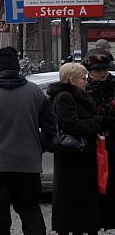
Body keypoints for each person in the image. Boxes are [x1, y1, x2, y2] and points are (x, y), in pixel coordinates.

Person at [0, 46, 57, 235]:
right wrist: (39, 146)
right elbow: (50, 126)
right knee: (30, 211)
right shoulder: (35, 92)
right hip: (28, 165)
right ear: (17, 66)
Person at [49, 62, 103, 235]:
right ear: (72, 80)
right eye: (82, 78)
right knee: (73, 202)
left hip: (80, 157)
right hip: (73, 157)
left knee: (82, 202)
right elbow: (72, 125)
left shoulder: (77, 95)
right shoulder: (65, 97)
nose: (86, 81)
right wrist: (96, 123)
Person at [85, 48, 115, 231]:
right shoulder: (84, 89)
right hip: (93, 142)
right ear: (90, 71)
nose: (102, 73)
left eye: (104, 69)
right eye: (97, 70)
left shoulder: (113, 86)